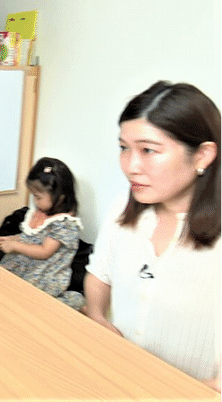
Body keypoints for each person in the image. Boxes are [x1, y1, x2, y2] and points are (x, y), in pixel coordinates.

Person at [84, 81, 221, 392]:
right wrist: (97, 317)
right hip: (118, 378)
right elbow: (99, 274)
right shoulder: (123, 207)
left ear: (202, 156)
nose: (131, 166)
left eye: (148, 150)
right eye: (124, 148)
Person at [0, 157, 85, 310]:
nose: (34, 201)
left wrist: (15, 246)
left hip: (43, 275)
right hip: (22, 266)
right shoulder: (40, 211)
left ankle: (74, 302)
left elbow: (44, 251)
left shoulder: (65, 224)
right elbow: (30, 237)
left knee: (33, 303)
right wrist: (12, 239)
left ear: (60, 197)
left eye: (38, 197)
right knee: (0, 284)